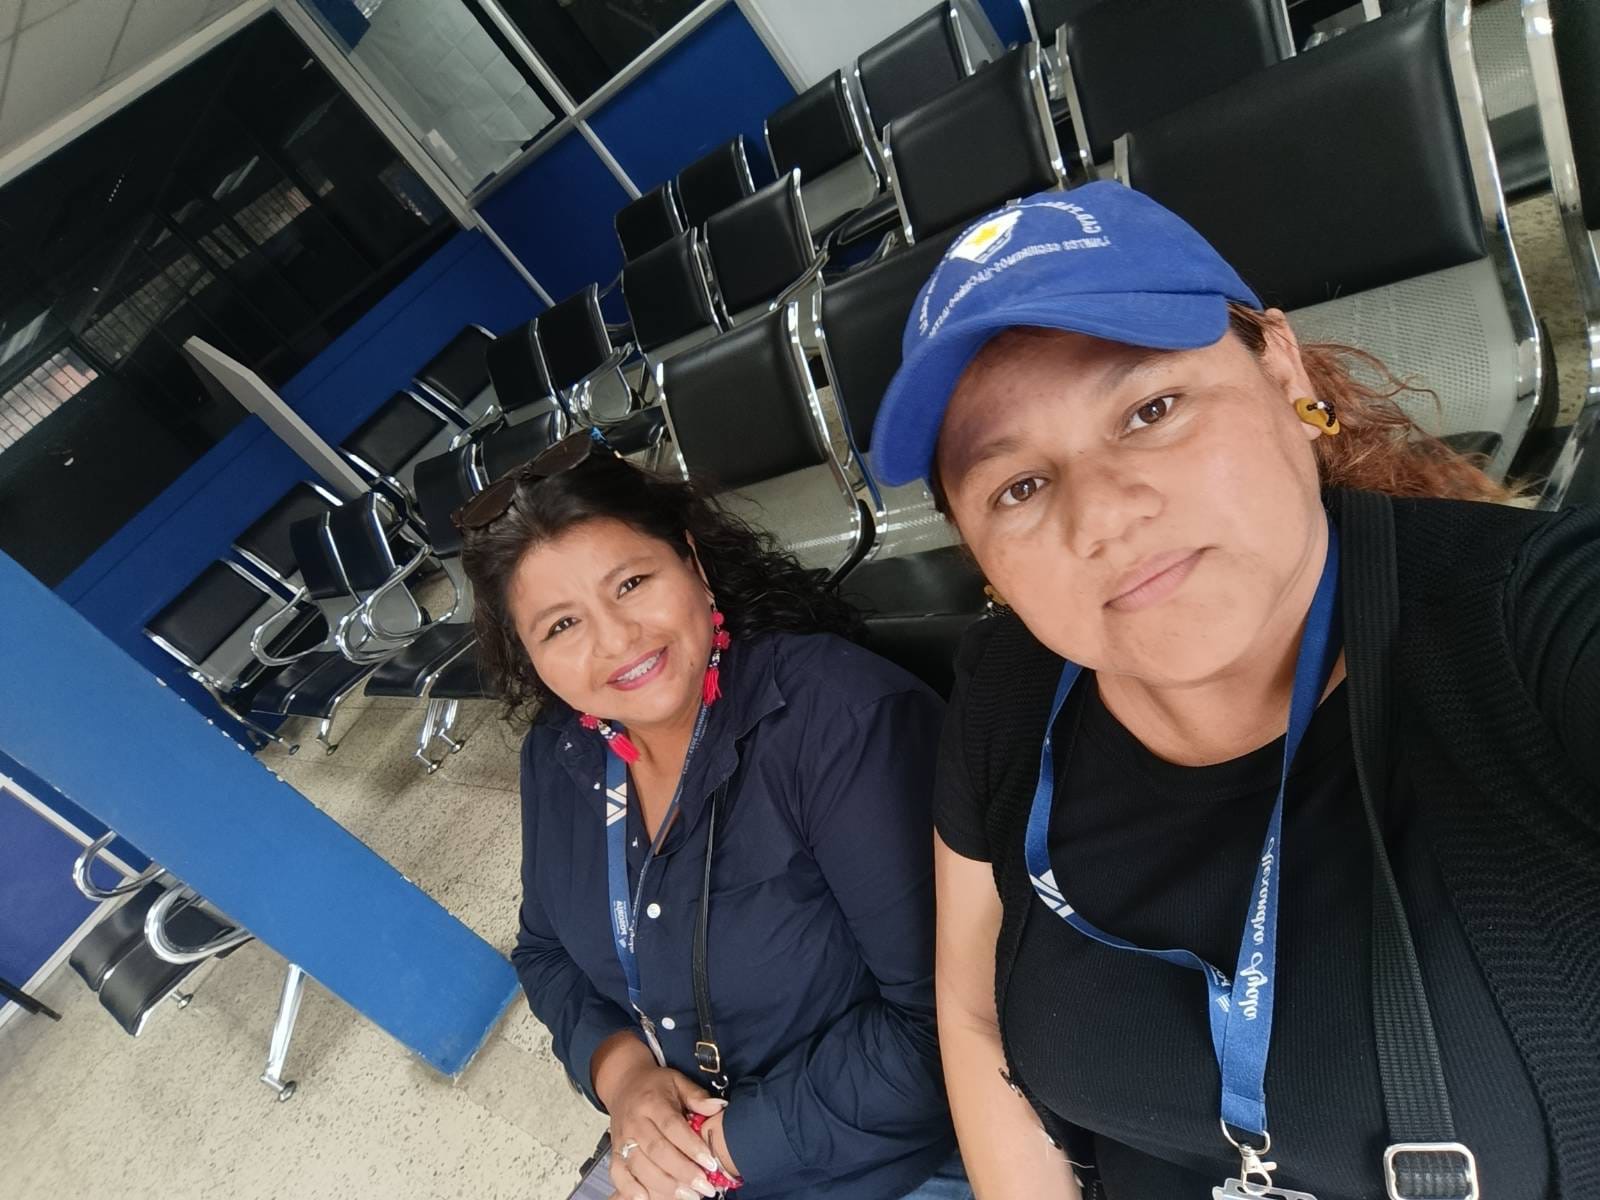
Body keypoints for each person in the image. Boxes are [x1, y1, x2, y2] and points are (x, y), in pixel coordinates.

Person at [868, 182, 1600, 1200]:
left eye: (1150, 410)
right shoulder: (1008, 690)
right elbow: (977, 1015)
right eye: (1019, 486)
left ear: (1283, 370)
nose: (1103, 516)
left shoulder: (1532, 628)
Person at [457, 436, 970, 1200]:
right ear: (530, 657)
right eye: (561, 626)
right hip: (674, 1150)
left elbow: (942, 1029)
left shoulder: (841, 725)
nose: (615, 639)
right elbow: (544, 952)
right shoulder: (561, 753)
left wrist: (717, 1149)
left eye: (631, 583)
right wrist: (624, 1076)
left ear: (691, 562)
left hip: (879, 1167)